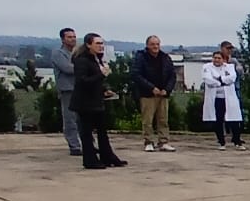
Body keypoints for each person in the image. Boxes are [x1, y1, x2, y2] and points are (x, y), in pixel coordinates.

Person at [69, 33, 126, 170]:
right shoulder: (82, 60)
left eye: (102, 43)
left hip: (97, 100)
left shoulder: (97, 59)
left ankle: (108, 157)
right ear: (89, 45)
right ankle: (90, 160)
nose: (101, 46)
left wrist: (104, 89)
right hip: (84, 102)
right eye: (97, 43)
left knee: (102, 131)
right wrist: (101, 74)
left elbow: (96, 81)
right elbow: (82, 81)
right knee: (87, 132)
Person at [131, 35, 176, 152]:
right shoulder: (141, 57)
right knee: (148, 120)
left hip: (163, 93)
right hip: (147, 94)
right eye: (152, 44)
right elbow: (136, 75)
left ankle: (164, 142)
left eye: (157, 44)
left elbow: (172, 75)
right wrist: (151, 88)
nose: (155, 46)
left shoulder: (165, 57)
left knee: (163, 119)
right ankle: (148, 141)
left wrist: (167, 89)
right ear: (147, 45)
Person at [201, 50, 245, 151]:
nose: (216, 60)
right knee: (218, 120)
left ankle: (237, 141)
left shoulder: (229, 67)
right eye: (215, 58)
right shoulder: (207, 67)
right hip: (216, 98)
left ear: (223, 59)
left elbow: (232, 78)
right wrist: (222, 82)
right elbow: (208, 80)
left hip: (229, 97)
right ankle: (221, 141)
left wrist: (219, 79)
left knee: (234, 119)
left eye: (219, 58)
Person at [52, 27, 81, 155]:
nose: (73, 39)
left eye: (74, 37)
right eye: (69, 37)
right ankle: (74, 146)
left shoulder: (78, 52)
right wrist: (85, 68)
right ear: (63, 39)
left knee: (82, 119)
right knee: (70, 119)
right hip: (67, 89)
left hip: (80, 88)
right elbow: (67, 68)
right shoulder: (58, 53)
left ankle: (86, 144)